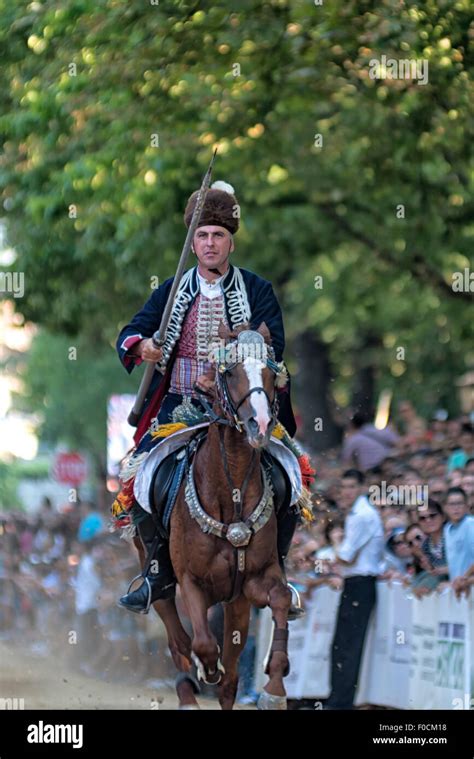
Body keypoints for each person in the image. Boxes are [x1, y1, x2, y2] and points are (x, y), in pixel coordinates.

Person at [115, 180, 299, 614]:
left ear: (230, 242)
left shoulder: (257, 290)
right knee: (138, 478)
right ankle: (157, 571)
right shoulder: (170, 290)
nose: (210, 243)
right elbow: (130, 334)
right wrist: (145, 347)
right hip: (179, 407)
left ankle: (279, 568)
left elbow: (275, 349)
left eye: (218, 235)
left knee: (290, 477)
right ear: (193, 243)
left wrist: (233, 365)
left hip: (241, 408)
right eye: (202, 236)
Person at [325, 469, 384, 710]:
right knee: (342, 645)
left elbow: (346, 557)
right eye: (343, 487)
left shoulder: (363, 515)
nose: (346, 492)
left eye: (351, 487)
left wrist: (337, 541)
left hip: (361, 584)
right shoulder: (356, 514)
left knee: (348, 646)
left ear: (360, 488)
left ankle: (340, 703)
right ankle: (338, 700)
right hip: (355, 583)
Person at [443, 487, 474, 581]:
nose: (456, 508)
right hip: (457, 587)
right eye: (452, 504)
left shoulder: (470, 524)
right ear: (445, 507)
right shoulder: (447, 529)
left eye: (459, 503)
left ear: (466, 506)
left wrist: (465, 578)